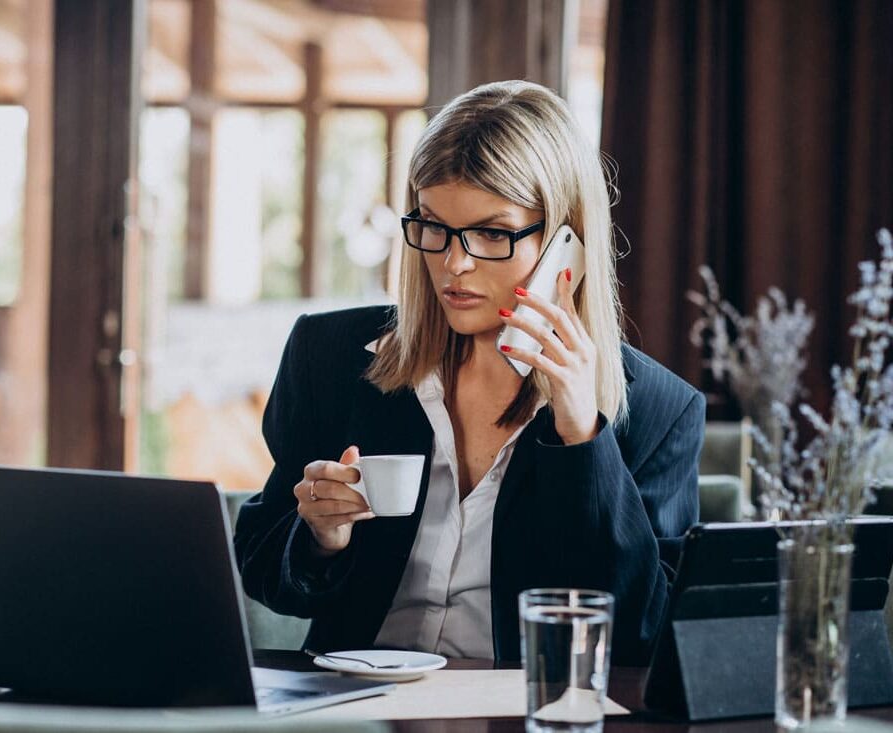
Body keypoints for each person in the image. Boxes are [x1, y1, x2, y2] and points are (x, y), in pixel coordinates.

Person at [234, 80, 705, 664]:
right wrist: (320, 539)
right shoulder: (327, 356)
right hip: (356, 704)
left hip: (520, 710)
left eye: (492, 233)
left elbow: (644, 633)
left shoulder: (660, 409)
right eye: (434, 226)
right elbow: (259, 568)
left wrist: (583, 439)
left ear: (567, 244)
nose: (454, 263)